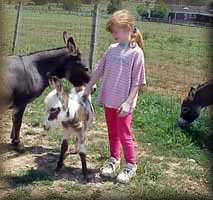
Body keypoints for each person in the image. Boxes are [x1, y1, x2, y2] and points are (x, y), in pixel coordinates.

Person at [83, 9, 146, 183]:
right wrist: (87, 89)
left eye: (116, 31)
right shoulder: (111, 49)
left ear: (128, 28)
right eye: (112, 32)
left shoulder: (136, 53)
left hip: (124, 103)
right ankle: (114, 160)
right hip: (109, 99)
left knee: (124, 134)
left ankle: (131, 165)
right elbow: (99, 71)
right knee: (112, 132)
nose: (113, 35)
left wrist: (128, 102)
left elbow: (137, 82)